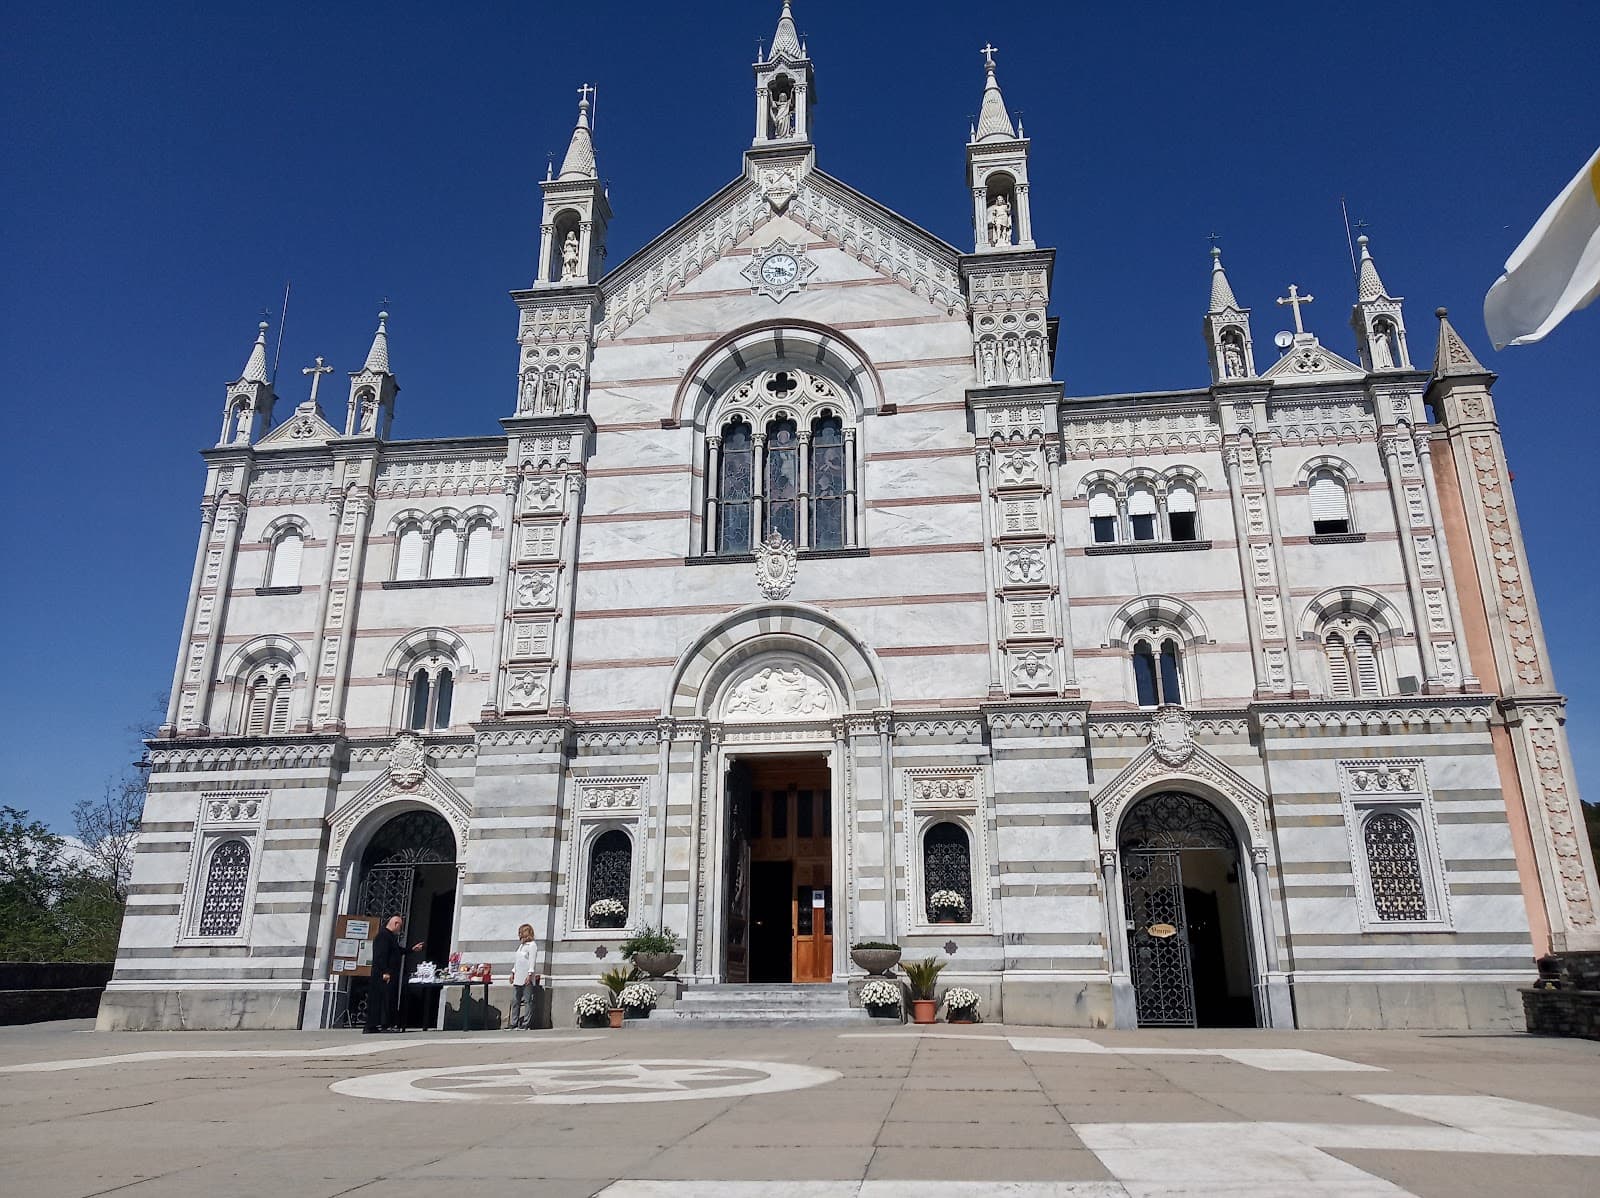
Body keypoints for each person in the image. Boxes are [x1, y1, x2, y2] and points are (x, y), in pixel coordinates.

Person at [364, 914, 424, 1034]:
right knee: (381, 1000)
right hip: (383, 975)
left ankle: (383, 1024)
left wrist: (412, 950)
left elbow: (397, 951)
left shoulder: (390, 937)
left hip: (388, 974)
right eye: (400, 926)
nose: (400, 929)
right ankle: (376, 1025)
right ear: (395, 924)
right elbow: (380, 956)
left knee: (388, 999)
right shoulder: (383, 936)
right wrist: (385, 971)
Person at [510, 923, 539, 1029]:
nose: (520, 935)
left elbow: (532, 961)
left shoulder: (532, 945)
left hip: (526, 976)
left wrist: (530, 974)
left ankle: (526, 1023)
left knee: (527, 1000)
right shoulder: (521, 946)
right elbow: (517, 960)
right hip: (518, 975)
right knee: (515, 1000)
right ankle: (514, 1022)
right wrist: (513, 972)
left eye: (522, 932)